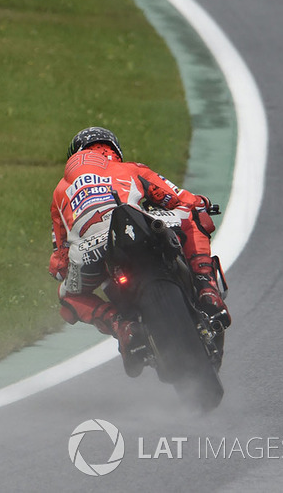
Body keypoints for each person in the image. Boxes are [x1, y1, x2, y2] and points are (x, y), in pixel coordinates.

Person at [49, 127, 231, 377]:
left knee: (67, 296)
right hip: (138, 228)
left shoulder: (60, 192)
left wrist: (67, 266)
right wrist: (203, 203)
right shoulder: (130, 169)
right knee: (192, 215)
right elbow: (181, 199)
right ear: (114, 150)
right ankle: (207, 287)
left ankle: (121, 326)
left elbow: (58, 262)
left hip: (93, 251)